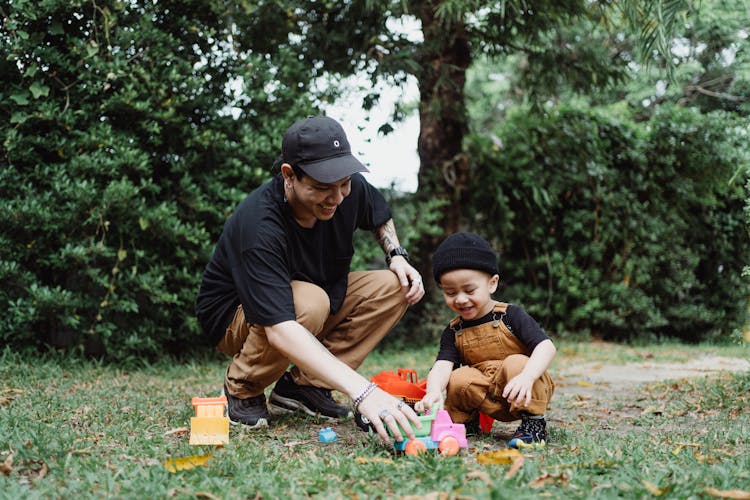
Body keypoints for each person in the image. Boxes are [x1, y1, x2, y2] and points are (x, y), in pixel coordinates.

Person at [195, 115, 425, 443]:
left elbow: (378, 212)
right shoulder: (261, 224)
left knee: (394, 286)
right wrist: (365, 392)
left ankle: (305, 387)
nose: (337, 197)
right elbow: (281, 328)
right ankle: (242, 388)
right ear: (289, 175)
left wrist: (397, 256)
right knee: (307, 303)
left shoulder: (347, 189)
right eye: (321, 188)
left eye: (343, 183)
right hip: (235, 317)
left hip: (313, 301)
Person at [415, 232, 556, 448]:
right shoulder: (454, 330)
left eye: (469, 290)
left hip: (521, 389)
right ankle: (466, 425)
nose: (461, 299)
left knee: (516, 363)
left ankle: (533, 425)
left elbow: (546, 346)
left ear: (492, 284)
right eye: (450, 292)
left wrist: (528, 376)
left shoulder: (511, 315)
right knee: (458, 377)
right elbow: (442, 366)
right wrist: (433, 391)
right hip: (485, 394)